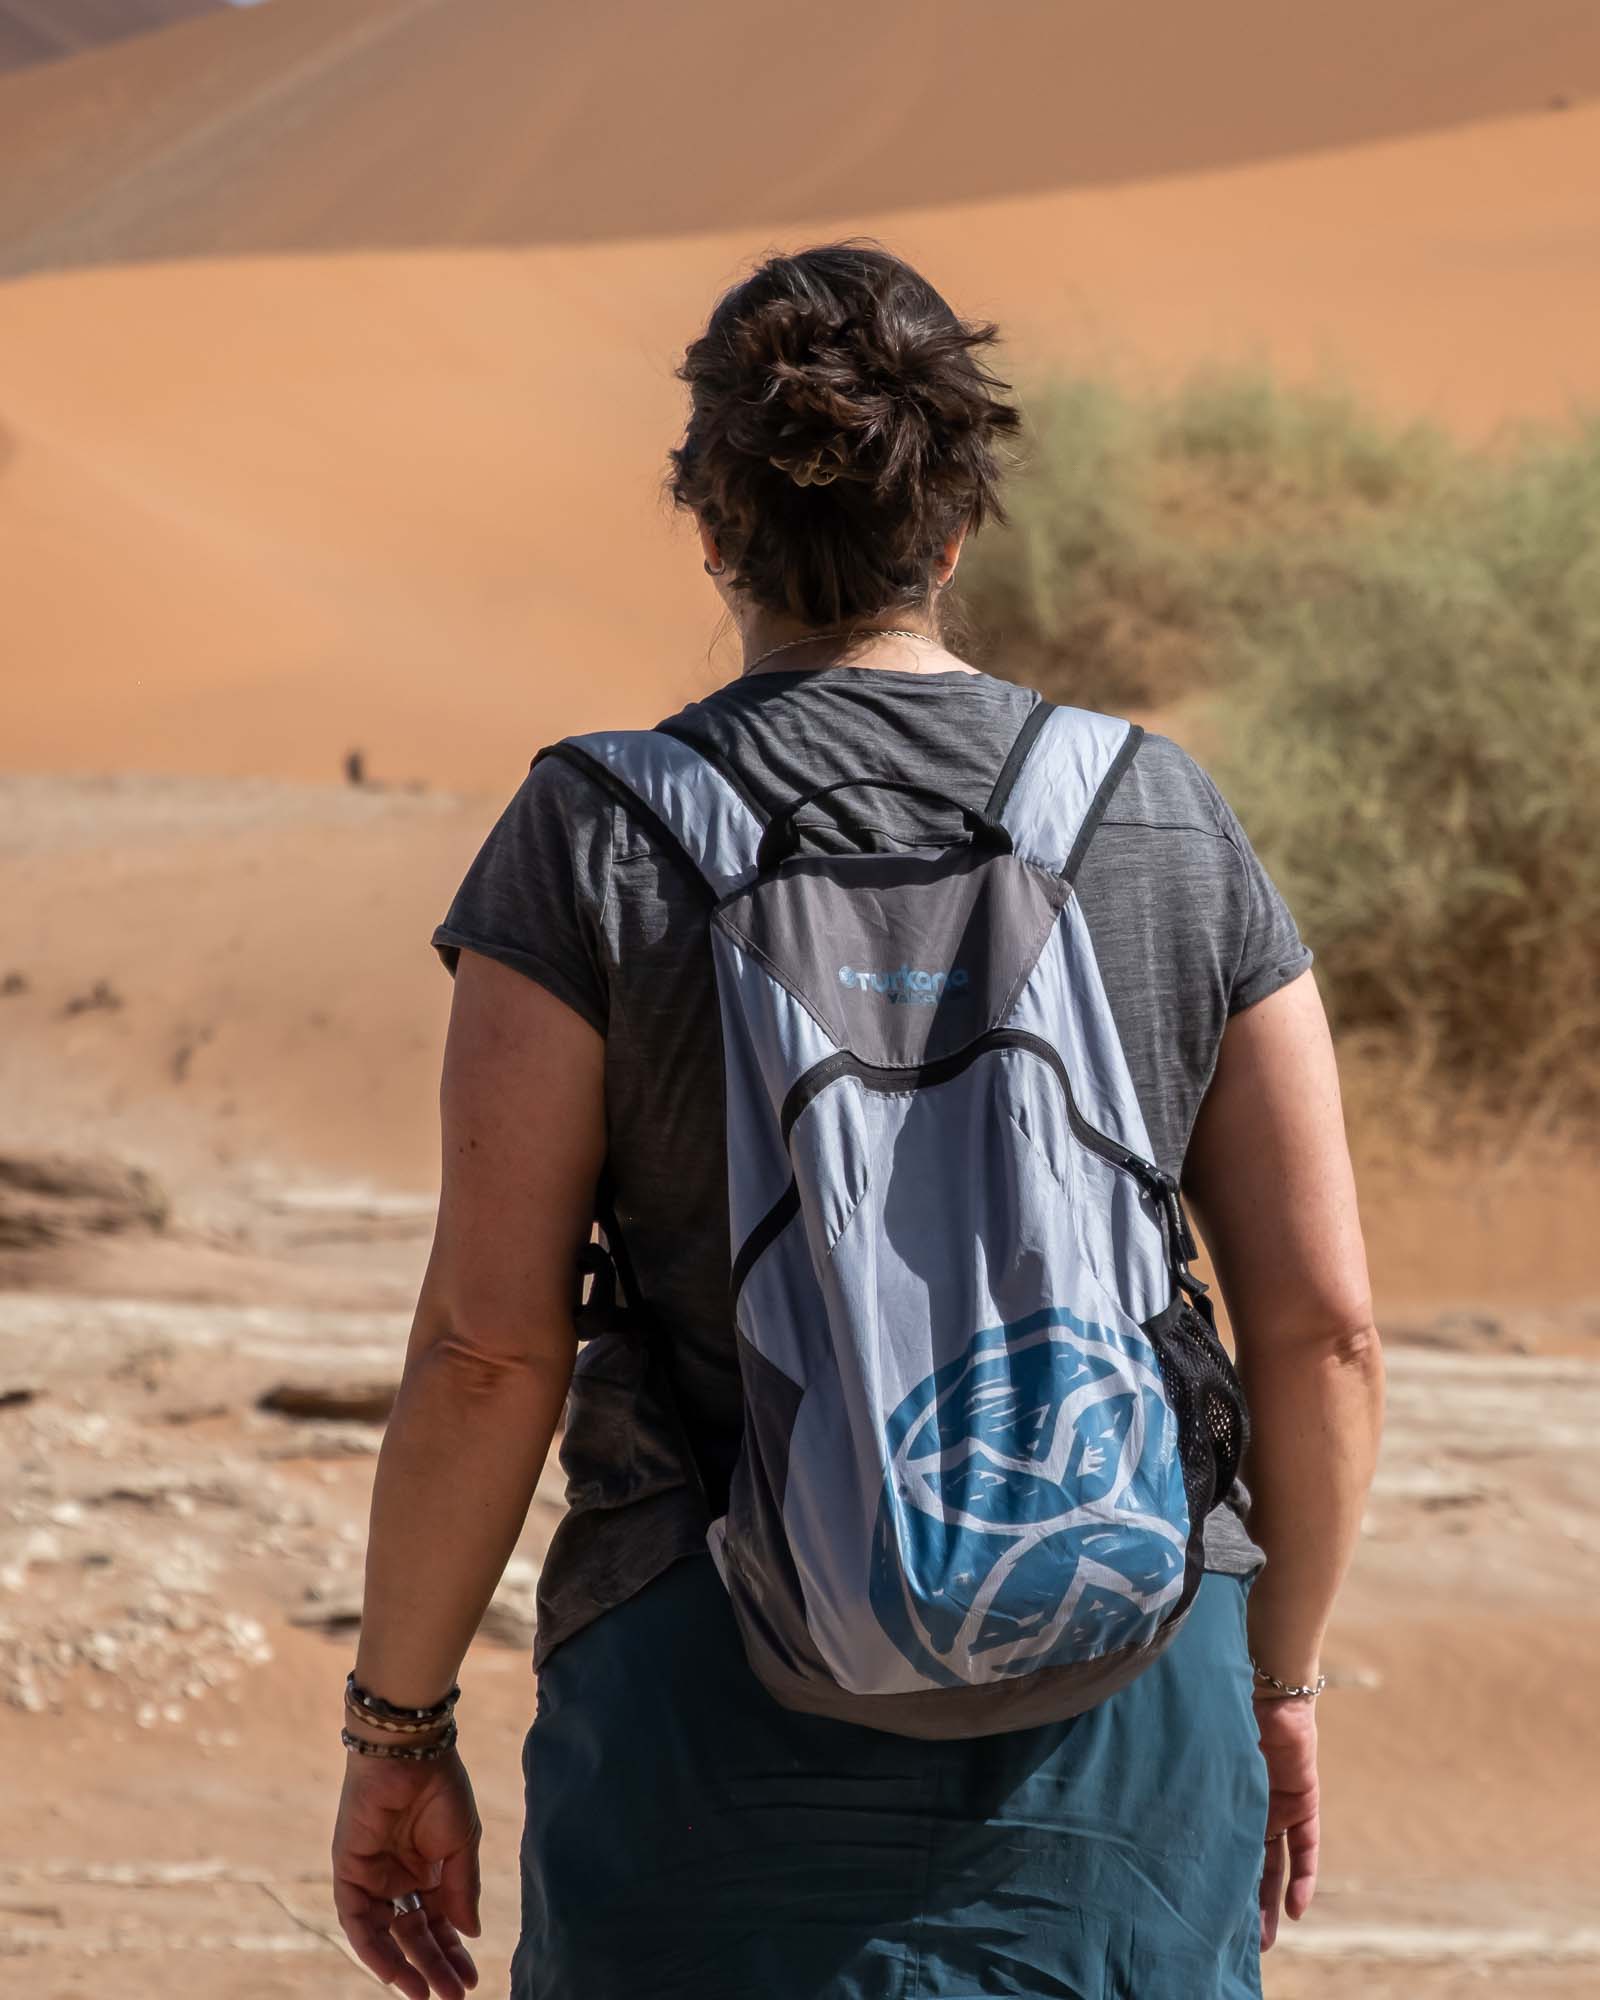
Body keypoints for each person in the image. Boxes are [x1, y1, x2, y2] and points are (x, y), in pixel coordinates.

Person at [330, 240, 1385, 2000]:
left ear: (715, 528)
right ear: (955, 528)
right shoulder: (1160, 818)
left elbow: (486, 1354)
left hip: (701, 1718)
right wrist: (1275, 1677)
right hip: (1126, 1716)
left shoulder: (595, 835)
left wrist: (397, 1722)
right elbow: (1329, 1329)